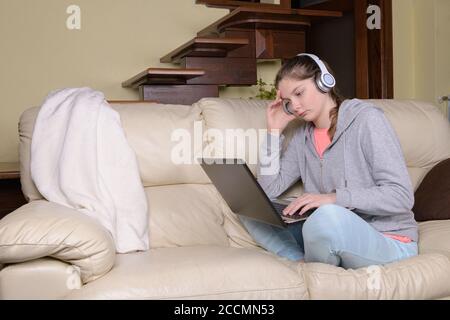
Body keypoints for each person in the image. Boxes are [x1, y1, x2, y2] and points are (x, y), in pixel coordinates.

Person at [239, 53, 418, 269]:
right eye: (288, 102)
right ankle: (304, 265)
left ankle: (315, 268)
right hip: (332, 232)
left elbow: (401, 196)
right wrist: (274, 132)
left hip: (387, 239)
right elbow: (267, 192)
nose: (295, 106)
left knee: (326, 217)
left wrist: (334, 199)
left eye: (299, 93)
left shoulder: (367, 120)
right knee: (251, 213)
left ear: (324, 81)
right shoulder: (302, 137)